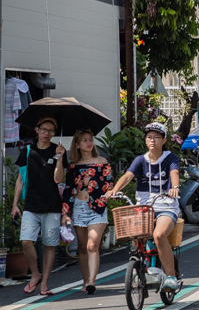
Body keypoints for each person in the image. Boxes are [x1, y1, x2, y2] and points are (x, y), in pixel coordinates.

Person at [106, 122, 181, 293]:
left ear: (164, 140)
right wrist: (114, 190)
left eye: (156, 137)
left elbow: (174, 173)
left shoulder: (170, 157)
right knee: (135, 236)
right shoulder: (140, 160)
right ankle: (140, 266)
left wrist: (174, 187)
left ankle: (170, 276)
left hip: (166, 206)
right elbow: (128, 176)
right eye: (149, 137)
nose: (152, 140)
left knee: (159, 234)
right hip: (144, 207)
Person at [11, 117, 67, 296]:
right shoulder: (28, 151)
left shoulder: (57, 151)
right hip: (31, 205)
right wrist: (15, 205)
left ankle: (44, 284)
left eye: (51, 130)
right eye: (44, 129)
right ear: (36, 129)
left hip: (52, 205)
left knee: (49, 245)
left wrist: (59, 158)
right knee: (26, 241)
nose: (47, 133)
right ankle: (35, 274)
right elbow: (20, 178)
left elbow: (58, 179)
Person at [56, 130, 112, 294]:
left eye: (90, 140)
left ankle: (92, 282)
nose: (89, 143)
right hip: (79, 207)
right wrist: (65, 213)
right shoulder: (73, 166)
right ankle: (85, 280)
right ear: (77, 144)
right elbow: (68, 190)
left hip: (97, 206)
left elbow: (109, 186)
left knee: (92, 244)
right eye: (84, 140)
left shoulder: (102, 162)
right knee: (81, 247)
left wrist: (92, 182)